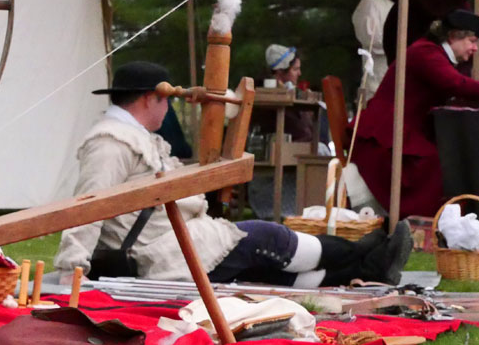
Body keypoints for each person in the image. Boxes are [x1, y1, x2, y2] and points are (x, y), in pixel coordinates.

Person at [53, 61, 413, 289]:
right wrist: (72, 271)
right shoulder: (110, 143)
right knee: (266, 238)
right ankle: (365, 254)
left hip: (174, 241)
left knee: (266, 271)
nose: (168, 109)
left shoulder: (131, 137)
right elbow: (87, 208)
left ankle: (368, 267)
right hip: (155, 255)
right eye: (166, 101)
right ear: (151, 99)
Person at [353, 9, 479, 220]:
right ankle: (424, 221)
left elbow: (460, 90)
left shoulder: (435, 54)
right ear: (453, 37)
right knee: (439, 164)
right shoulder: (425, 53)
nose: (475, 48)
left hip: (403, 131)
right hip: (385, 136)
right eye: (472, 41)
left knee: (450, 158)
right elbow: (455, 84)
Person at [352, 0, 420, 103]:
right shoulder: (371, 4)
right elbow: (371, 40)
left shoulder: (410, 8)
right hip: (377, 85)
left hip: (404, 86)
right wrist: (406, 43)